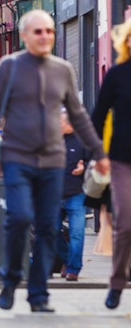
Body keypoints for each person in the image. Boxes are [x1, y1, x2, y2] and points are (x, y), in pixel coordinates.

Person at [0, 9, 108, 313]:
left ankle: (38, 294)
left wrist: (99, 153)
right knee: (21, 217)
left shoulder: (62, 69)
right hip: (17, 158)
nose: (45, 36)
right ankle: (10, 278)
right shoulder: (8, 67)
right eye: (38, 32)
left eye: (49, 31)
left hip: (53, 162)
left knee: (49, 226)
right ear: (25, 36)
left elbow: (78, 116)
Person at [93, 17, 131, 309]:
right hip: (121, 160)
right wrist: (99, 155)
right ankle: (117, 281)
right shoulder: (117, 75)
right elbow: (98, 116)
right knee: (126, 222)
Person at [56, 109, 90, 282]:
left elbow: (93, 164)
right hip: (54, 195)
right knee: (51, 231)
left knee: (77, 233)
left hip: (76, 194)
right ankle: (69, 260)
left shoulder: (82, 141)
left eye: (60, 122)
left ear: (69, 125)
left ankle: (73, 269)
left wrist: (83, 169)